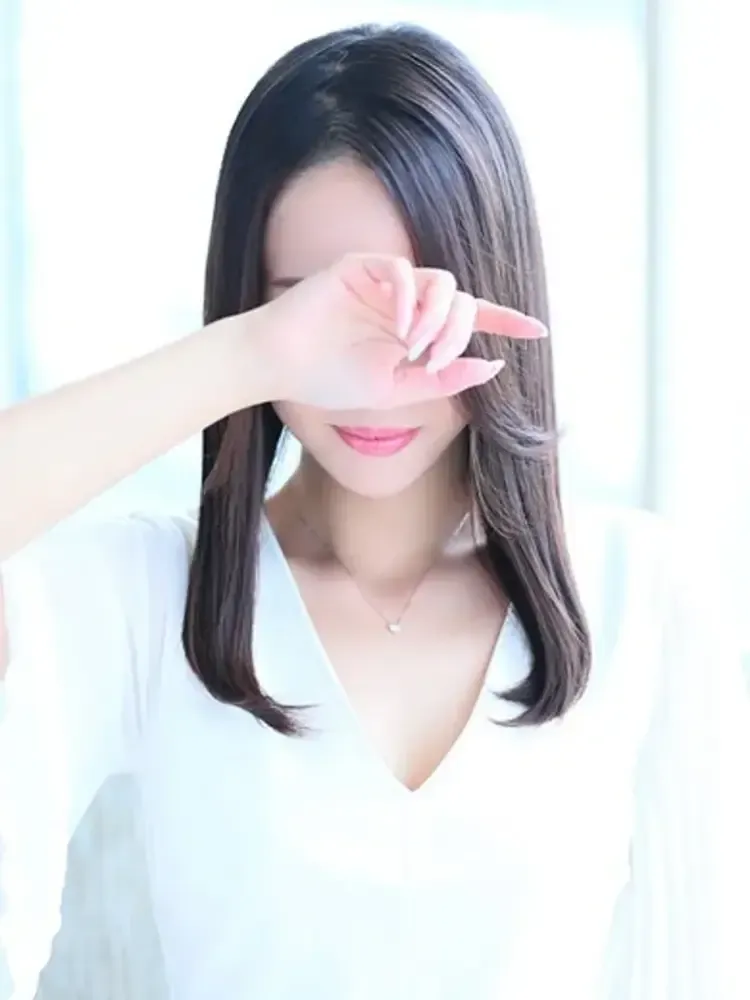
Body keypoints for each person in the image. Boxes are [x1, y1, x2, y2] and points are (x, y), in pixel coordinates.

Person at [0, 21, 748, 1000]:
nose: (376, 378)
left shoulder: (637, 592)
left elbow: (700, 968)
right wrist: (253, 354)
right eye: (317, 307)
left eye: (422, 311)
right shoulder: (153, 598)